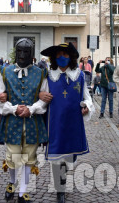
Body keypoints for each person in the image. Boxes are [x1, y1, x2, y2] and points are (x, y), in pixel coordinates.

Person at [37, 42, 93, 203]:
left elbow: (87, 98)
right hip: (55, 123)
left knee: (70, 158)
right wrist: (40, 96)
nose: (62, 57)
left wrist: (87, 107)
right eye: (59, 55)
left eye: (65, 54)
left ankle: (63, 180)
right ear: (55, 57)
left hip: (73, 123)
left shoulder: (79, 75)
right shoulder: (49, 75)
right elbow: (42, 96)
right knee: (56, 156)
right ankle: (60, 190)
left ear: (71, 57)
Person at [0, 38, 48, 203]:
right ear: (15, 52)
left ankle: (22, 192)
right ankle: (11, 182)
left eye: (26, 51)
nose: (22, 55)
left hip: (33, 122)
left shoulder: (41, 74)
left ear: (32, 54)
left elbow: (45, 97)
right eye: (20, 51)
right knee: (13, 156)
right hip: (12, 121)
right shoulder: (5, 71)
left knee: (29, 156)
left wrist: (31, 109)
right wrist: (13, 108)